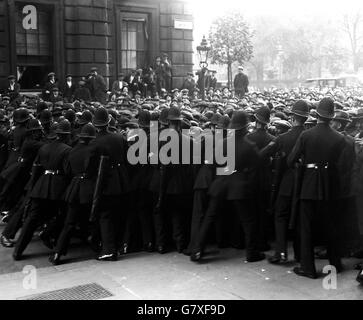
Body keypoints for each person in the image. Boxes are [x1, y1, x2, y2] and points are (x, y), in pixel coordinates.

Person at [190, 111, 265, 263]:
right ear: (245, 128)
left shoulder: (222, 143)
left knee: (209, 217)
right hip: (239, 184)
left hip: (221, 183)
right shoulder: (249, 145)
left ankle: (197, 250)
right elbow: (257, 164)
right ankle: (251, 253)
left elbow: (211, 164)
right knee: (248, 221)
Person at [288, 97, 346, 279]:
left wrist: (302, 164)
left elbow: (291, 160)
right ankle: (335, 263)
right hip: (329, 184)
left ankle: (308, 267)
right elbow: (338, 163)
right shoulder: (340, 138)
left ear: (317, 114)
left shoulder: (306, 135)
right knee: (331, 226)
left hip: (309, 184)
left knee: (306, 228)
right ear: (332, 117)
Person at [12, 119, 72, 260]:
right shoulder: (67, 150)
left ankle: (18, 250)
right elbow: (68, 171)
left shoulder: (44, 148)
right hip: (58, 186)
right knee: (62, 215)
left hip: (41, 185)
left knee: (32, 219)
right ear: (65, 135)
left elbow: (36, 167)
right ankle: (48, 234)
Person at [260, 100, 309, 264]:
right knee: (300, 219)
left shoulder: (282, 137)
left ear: (293, 117)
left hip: (287, 183)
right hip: (305, 183)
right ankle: (300, 254)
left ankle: (280, 253)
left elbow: (263, 154)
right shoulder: (309, 135)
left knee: (281, 216)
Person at [49, 123, 97, 265]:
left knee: (69, 223)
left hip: (74, 188)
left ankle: (58, 253)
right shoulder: (93, 151)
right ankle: (97, 246)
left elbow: (67, 171)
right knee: (95, 219)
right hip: (89, 188)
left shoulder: (72, 150)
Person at [87, 107, 130, 261]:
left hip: (105, 183)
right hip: (122, 181)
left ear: (95, 124)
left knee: (105, 216)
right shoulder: (119, 137)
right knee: (119, 214)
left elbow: (90, 167)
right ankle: (119, 245)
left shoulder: (95, 143)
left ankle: (109, 250)